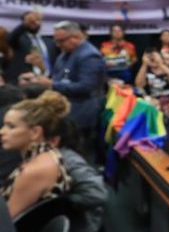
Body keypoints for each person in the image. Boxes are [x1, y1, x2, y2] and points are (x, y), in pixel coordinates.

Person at [20, 21, 106, 156]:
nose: (57, 45)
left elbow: (87, 86)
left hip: (81, 113)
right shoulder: (65, 53)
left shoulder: (89, 56)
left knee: (77, 154)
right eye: (56, 41)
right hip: (65, 111)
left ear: (76, 37)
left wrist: (52, 84)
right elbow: (58, 77)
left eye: (61, 41)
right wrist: (38, 78)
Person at [0, 90, 73, 217]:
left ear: (35, 132)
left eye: (11, 127)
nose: (2, 131)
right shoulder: (44, 154)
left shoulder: (35, 170)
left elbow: (5, 220)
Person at [6, 10, 52, 83]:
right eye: (31, 21)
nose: (34, 23)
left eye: (37, 20)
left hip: (46, 81)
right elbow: (11, 38)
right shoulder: (19, 39)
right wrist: (25, 24)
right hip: (25, 82)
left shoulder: (49, 41)